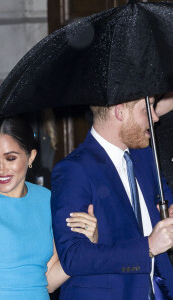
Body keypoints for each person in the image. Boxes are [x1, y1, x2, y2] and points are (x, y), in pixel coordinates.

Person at [0, 116, 98, 300]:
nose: (1, 169)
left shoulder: (46, 198)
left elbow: (49, 280)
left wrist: (86, 244)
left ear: (31, 156)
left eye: (10, 158)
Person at [51, 97, 173, 300]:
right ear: (120, 112)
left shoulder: (144, 155)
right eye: (146, 109)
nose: (155, 117)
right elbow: (73, 257)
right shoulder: (74, 169)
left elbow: (165, 199)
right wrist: (148, 247)